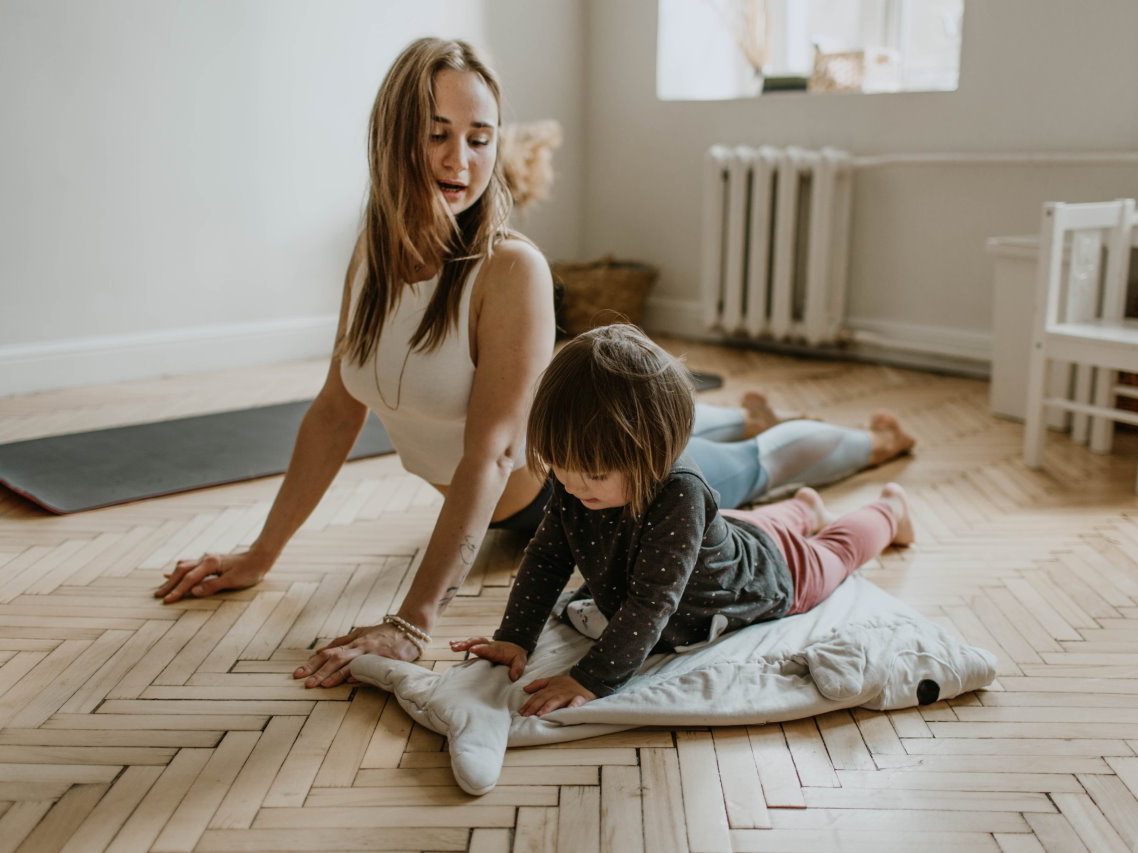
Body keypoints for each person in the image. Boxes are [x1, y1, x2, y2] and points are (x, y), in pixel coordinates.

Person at [154, 37, 914, 690]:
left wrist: (411, 623)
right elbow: (333, 412)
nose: (462, 159)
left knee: (751, 463)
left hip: (594, 488)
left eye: (480, 137)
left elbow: (490, 454)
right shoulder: (372, 257)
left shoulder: (508, 268)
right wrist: (262, 552)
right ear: (392, 137)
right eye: (437, 133)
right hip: (567, 471)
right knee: (725, 449)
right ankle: (746, 432)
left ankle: (872, 447)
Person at [451, 324, 914, 715]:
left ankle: (890, 511)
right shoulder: (578, 480)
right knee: (752, 526)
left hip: (769, 573)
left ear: (654, 453)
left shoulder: (681, 494)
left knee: (835, 551)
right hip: (729, 533)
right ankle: (805, 507)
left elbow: (652, 603)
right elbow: (548, 557)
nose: (571, 486)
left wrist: (590, 679)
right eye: (560, 468)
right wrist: (515, 636)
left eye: (592, 474)